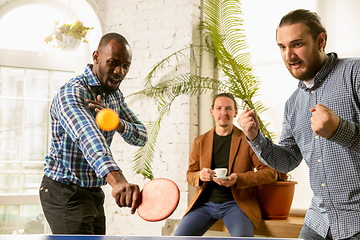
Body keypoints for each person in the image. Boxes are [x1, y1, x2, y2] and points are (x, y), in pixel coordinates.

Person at [238, 9, 360, 240]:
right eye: (282, 47)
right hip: (318, 221)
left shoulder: (355, 74)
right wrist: (255, 138)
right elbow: (287, 162)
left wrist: (339, 131)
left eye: (296, 44)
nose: (288, 55)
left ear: (320, 41)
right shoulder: (293, 104)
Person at [39, 32, 148, 235]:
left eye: (125, 66)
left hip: (93, 191)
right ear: (96, 56)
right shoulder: (72, 93)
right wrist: (118, 181)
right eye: (113, 63)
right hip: (64, 191)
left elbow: (142, 136)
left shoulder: (114, 95)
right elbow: (89, 138)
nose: (119, 71)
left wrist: (117, 122)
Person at [174, 93, 277, 237]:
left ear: (235, 112)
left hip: (236, 205)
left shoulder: (248, 140)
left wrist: (238, 179)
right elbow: (190, 175)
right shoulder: (200, 141)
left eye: (228, 108)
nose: (224, 113)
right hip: (204, 204)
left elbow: (270, 173)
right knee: (177, 238)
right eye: (219, 108)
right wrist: (200, 175)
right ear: (212, 112)